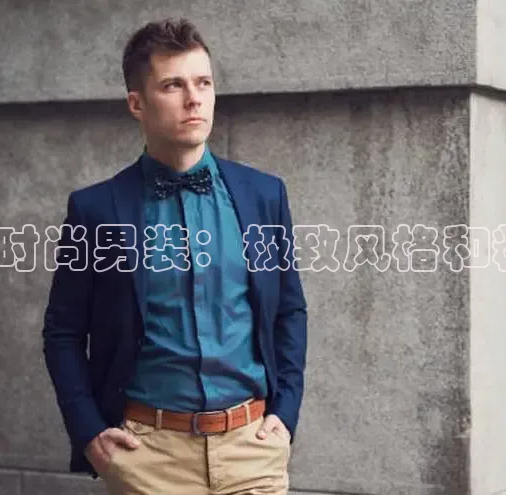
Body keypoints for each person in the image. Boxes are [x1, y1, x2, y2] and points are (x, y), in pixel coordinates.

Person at [41, 18, 308, 494]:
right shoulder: (96, 210)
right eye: (173, 85)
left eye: (203, 82)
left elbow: (289, 310)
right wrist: (88, 432)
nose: (194, 98)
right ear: (137, 104)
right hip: (149, 458)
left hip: (253, 449)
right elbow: (63, 332)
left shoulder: (264, 195)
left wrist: (285, 414)